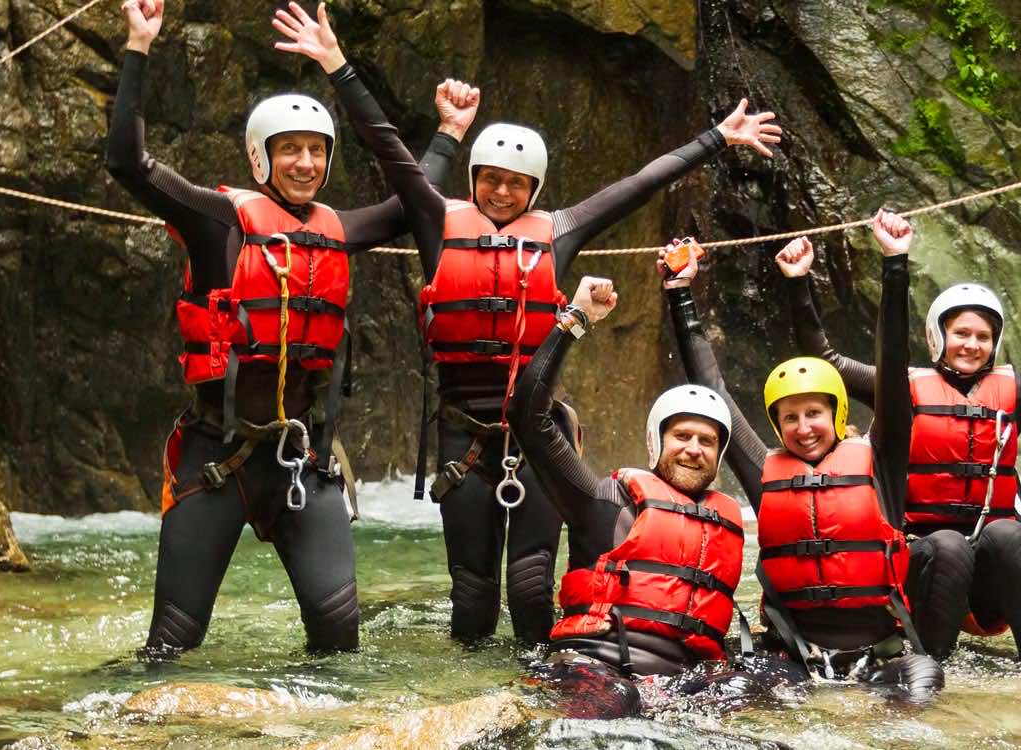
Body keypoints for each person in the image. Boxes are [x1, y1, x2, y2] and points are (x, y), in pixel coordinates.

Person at [395, 74, 781, 646]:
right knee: (472, 593)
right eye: (492, 181)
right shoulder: (440, 227)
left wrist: (717, 138)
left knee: (530, 585)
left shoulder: (560, 230)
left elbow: (639, 184)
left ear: (535, 188)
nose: (503, 193)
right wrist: (447, 131)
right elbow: (403, 175)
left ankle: (534, 696)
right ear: (474, 180)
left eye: (516, 184)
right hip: (463, 437)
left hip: (537, 436)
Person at [105, 0, 421, 659]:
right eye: (290, 150)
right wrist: (138, 45)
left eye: (316, 150)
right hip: (216, 458)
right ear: (259, 157)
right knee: (172, 642)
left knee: (339, 639)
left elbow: (417, 194)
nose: (306, 162)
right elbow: (127, 164)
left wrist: (339, 68)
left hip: (302, 461)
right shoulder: (217, 220)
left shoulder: (343, 231)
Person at [775, 225, 1021, 662]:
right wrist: (798, 282)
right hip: (920, 565)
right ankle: (931, 668)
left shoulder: (1016, 391)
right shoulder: (901, 389)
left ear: (994, 345)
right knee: (949, 543)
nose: (972, 344)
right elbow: (827, 361)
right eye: (962, 333)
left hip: (983, 579)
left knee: (1009, 534)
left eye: (982, 337)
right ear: (939, 337)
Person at [667, 211, 943, 700]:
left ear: (837, 412)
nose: (803, 427)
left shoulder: (880, 458)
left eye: (814, 412)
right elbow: (712, 390)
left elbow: (893, 367)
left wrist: (895, 264)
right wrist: (680, 292)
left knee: (923, 694)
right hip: (793, 659)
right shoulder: (765, 470)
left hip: (882, 661)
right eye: (789, 418)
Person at [503, 276, 793, 717]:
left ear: (719, 455)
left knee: (778, 677)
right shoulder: (605, 500)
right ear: (657, 441)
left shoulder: (728, 517)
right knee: (619, 699)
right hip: (595, 669)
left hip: (682, 684)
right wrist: (575, 319)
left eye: (707, 441)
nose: (693, 449)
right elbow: (527, 414)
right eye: (682, 436)